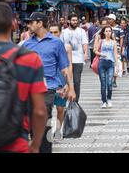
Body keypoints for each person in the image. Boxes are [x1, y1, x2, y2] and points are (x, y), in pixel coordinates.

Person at [0, 3, 47, 153]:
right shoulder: (30, 59)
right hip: (16, 142)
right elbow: (39, 111)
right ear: (14, 24)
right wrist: (35, 145)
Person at [23, 12, 75, 153]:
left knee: (44, 119)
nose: (28, 25)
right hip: (29, 90)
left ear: (40, 23)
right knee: (33, 125)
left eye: (31, 22)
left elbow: (64, 68)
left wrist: (71, 88)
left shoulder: (56, 42)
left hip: (48, 89)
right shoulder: (27, 44)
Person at [48, 24, 73, 142]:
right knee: (46, 109)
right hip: (48, 82)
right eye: (51, 32)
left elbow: (69, 65)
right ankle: (46, 132)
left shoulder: (66, 47)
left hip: (61, 81)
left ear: (60, 33)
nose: (53, 34)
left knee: (60, 108)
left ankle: (58, 130)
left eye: (55, 32)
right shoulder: (45, 46)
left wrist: (69, 84)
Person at [60, 13, 88, 102]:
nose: (75, 22)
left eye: (76, 20)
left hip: (78, 59)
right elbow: (60, 45)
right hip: (66, 60)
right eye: (73, 20)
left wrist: (86, 53)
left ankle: (76, 101)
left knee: (77, 82)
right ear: (68, 21)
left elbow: (84, 43)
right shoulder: (64, 32)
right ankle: (67, 100)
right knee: (67, 81)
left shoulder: (81, 31)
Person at [94, 26, 119, 108]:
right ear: (104, 32)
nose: (108, 33)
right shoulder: (101, 41)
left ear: (111, 32)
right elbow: (95, 51)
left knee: (109, 83)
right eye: (106, 31)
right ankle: (104, 101)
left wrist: (117, 65)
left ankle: (109, 99)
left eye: (109, 31)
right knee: (103, 84)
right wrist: (101, 54)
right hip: (102, 63)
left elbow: (115, 54)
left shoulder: (114, 42)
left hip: (110, 63)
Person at [107, 14, 121, 88]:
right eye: (108, 19)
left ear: (114, 20)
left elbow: (121, 38)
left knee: (116, 63)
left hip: (117, 48)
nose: (109, 20)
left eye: (110, 19)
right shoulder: (107, 28)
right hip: (107, 48)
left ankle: (114, 80)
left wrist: (121, 48)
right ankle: (109, 79)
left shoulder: (119, 28)